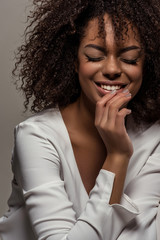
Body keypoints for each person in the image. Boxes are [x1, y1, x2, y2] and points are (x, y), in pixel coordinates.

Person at [0, 0, 160, 239]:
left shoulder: (154, 140)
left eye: (129, 59)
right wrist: (117, 156)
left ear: (146, 66)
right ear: (74, 61)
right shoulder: (37, 136)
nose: (113, 69)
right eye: (95, 56)